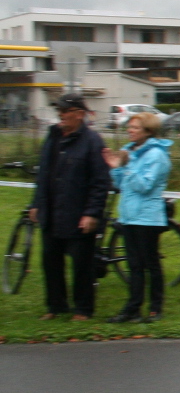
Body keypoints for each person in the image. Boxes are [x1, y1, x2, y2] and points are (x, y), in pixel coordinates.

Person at [28, 95, 110, 321]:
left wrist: (92, 213)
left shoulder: (92, 141)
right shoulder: (53, 137)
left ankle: (83, 309)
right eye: (59, 111)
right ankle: (56, 305)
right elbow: (43, 174)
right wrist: (36, 203)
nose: (61, 115)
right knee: (50, 261)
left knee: (82, 264)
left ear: (79, 114)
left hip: (78, 213)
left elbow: (100, 182)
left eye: (65, 111)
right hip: (52, 211)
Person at [102, 113, 173, 322]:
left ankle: (155, 309)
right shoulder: (131, 151)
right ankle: (132, 309)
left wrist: (126, 166)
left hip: (147, 218)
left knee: (150, 264)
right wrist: (115, 168)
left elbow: (145, 186)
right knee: (134, 265)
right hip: (129, 217)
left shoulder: (156, 155)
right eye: (129, 127)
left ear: (148, 131)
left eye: (135, 128)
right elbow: (121, 184)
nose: (130, 130)